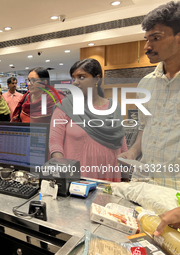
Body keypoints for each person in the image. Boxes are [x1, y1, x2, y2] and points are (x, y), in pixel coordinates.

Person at [118, 1, 180, 189]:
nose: (147, 46)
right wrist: (133, 152)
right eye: (146, 39)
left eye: (156, 38)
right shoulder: (146, 83)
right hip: (143, 183)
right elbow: (144, 129)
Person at [49, 59, 127, 182]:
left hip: (109, 175)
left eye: (81, 77)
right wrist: (63, 174)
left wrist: (125, 179)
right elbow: (55, 144)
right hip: (78, 177)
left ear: (97, 79)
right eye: (73, 78)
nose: (75, 83)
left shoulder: (113, 107)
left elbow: (121, 143)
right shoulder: (65, 107)